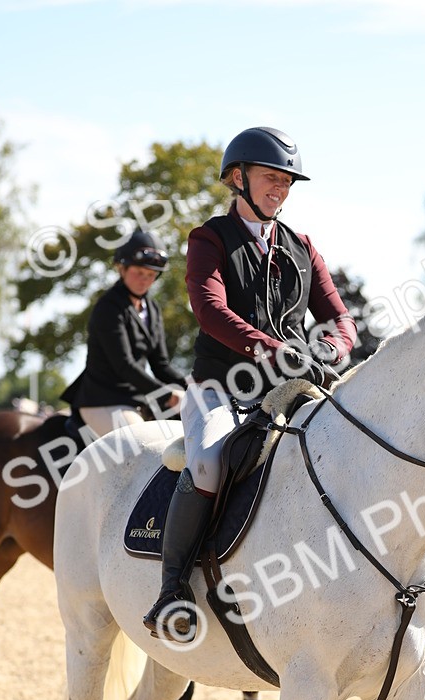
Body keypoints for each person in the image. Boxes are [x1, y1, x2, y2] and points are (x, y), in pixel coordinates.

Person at [143, 126, 358, 641]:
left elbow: (341, 318)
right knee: (209, 458)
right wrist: (276, 351)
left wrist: (330, 348)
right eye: (270, 178)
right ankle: (172, 589)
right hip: (221, 387)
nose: (280, 189)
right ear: (237, 178)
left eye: (287, 181)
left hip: (293, 389)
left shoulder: (302, 246)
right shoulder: (210, 239)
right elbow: (211, 311)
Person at [64, 230, 187, 436]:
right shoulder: (109, 307)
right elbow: (124, 365)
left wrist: (192, 387)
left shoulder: (152, 308)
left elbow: (161, 365)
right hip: (104, 400)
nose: (144, 280)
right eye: (139, 272)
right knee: (139, 442)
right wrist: (166, 395)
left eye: (151, 275)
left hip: (136, 398)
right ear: (122, 268)